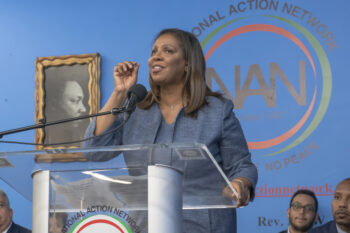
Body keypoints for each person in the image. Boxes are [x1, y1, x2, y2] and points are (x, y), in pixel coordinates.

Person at [84, 28, 258, 233]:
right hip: (144, 225)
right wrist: (119, 92)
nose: (156, 56)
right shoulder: (136, 110)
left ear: (187, 63)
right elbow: (93, 149)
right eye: (154, 51)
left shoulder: (217, 111)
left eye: (167, 51)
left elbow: (241, 165)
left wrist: (240, 184)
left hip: (204, 226)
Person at [45, 78, 89, 146]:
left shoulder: (82, 138)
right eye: (75, 100)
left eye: (81, 101)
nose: (83, 109)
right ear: (54, 104)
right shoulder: (46, 137)